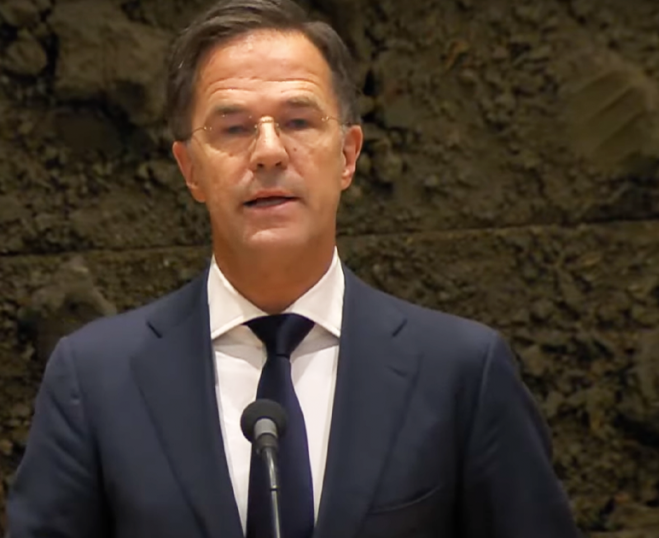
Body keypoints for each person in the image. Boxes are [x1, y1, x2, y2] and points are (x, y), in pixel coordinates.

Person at [4, 0, 579, 536]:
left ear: (348, 154)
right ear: (190, 169)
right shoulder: (95, 379)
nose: (269, 152)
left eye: (299, 122)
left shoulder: (461, 372)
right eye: (234, 128)